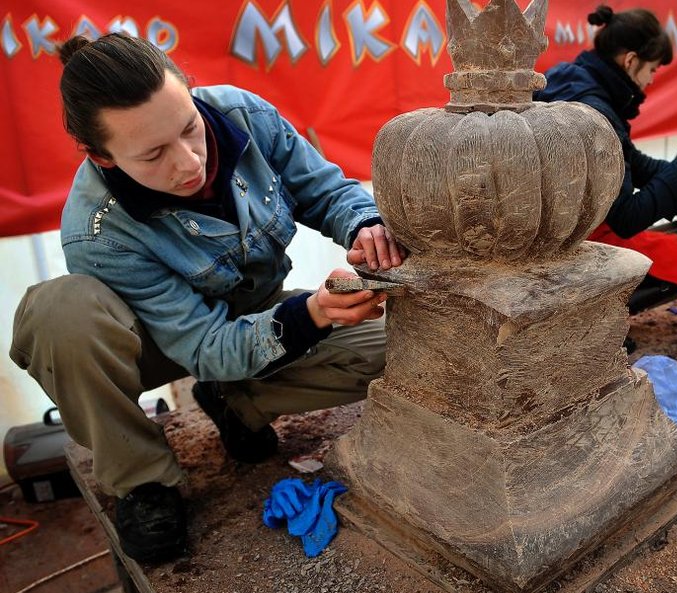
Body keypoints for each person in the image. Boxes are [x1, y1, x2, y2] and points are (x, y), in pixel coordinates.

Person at [8, 33, 404, 564]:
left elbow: (327, 190)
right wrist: (312, 314)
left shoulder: (243, 115)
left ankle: (237, 403)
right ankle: (143, 483)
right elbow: (203, 347)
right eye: (152, 155)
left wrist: (366, 226)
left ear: (191, 95)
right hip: (158, 344)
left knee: (406, 345)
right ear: (102, 157)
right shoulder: (97, 232)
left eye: (189, 128)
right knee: (61, 314)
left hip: (252, 314)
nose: (190, 162)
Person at [534, 5, 677, 307]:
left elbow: (636, 165)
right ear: (630, 61)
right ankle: (599, 311)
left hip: (553, 226)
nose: (651, 80)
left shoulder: (572, 82)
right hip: (569, 241)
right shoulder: (597, 113)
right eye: (652, 70)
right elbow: (627, 217)